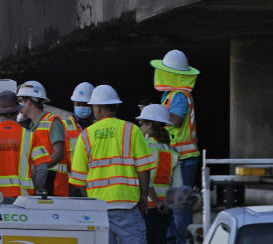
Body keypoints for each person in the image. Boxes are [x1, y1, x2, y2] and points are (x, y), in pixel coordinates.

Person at [69, 84, 156, 244]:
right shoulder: (131, 130)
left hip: (99, 208)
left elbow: (79, 178)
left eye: (93, 106)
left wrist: (90, 203)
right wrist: (143, 199)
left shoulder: (86, 136)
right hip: (127, 205)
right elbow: (144, 169)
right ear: (115, 105)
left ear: (99, 109)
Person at [151, 50, 199, 242]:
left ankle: (182, 241)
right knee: (173, 205)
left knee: (179, 207)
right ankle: (173, 239)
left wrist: (156, 116)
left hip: (184, 158)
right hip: (177, 157)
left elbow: (176, 120)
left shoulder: (179, 95)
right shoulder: (171, 95)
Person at [0, 91, 51, 201]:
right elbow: (42, 169)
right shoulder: (30, 136)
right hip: (23, 199)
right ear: (18, 111)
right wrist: (36, 190)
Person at [136, 104, 181, 244]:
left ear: (149, 125)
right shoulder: (173, 151)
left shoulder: (144, 147)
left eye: (141, 123)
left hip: (146, 207)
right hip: (166, 210)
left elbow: (144, 179)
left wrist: (157, 202)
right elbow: (178, 185)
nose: (140, 127)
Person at [18, 80, 69, 196]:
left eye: (21, 101)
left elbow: (59, 152)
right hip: (39, 184)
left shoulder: (53, 121)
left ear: (29, 102)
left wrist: (39, 169)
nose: (18, 106)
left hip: (54, 186)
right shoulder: (29, 127)